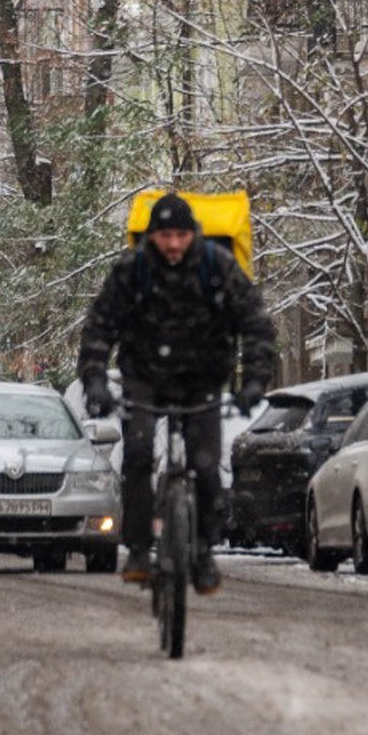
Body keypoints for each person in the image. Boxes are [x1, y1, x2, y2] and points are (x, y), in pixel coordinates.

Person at [76, 192, 276, 595]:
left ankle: (203, 550)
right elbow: (100, 327)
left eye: (181, 235)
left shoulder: (217, 267)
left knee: (206, 468)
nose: (173, 244)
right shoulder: (133, 272)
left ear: (193, 234)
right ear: (151, 236)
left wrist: (254, 380)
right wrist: (95, 380)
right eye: (165, 235)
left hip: (202, 380)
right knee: (137, 453)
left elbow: (254, 324)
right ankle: (136, 548)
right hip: (145, 378)